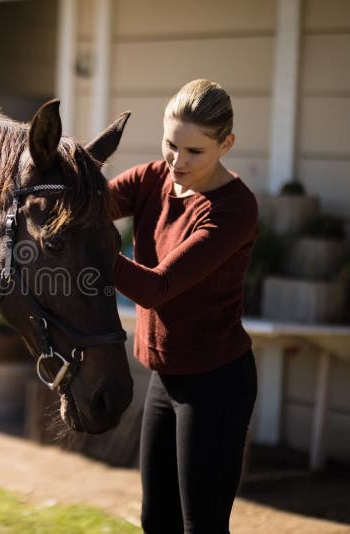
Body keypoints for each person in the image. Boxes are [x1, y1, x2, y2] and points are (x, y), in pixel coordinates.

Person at [108, 79, 258, 533]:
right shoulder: (152, 179)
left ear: (226, 145)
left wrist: (89, 249)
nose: (178, 161)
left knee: (202, 527)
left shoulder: (233, 209)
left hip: (217, 384)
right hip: (166, 377)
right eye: (171, 144)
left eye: (194, 151)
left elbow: (156, 288)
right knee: (156, 520)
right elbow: (86, 207)